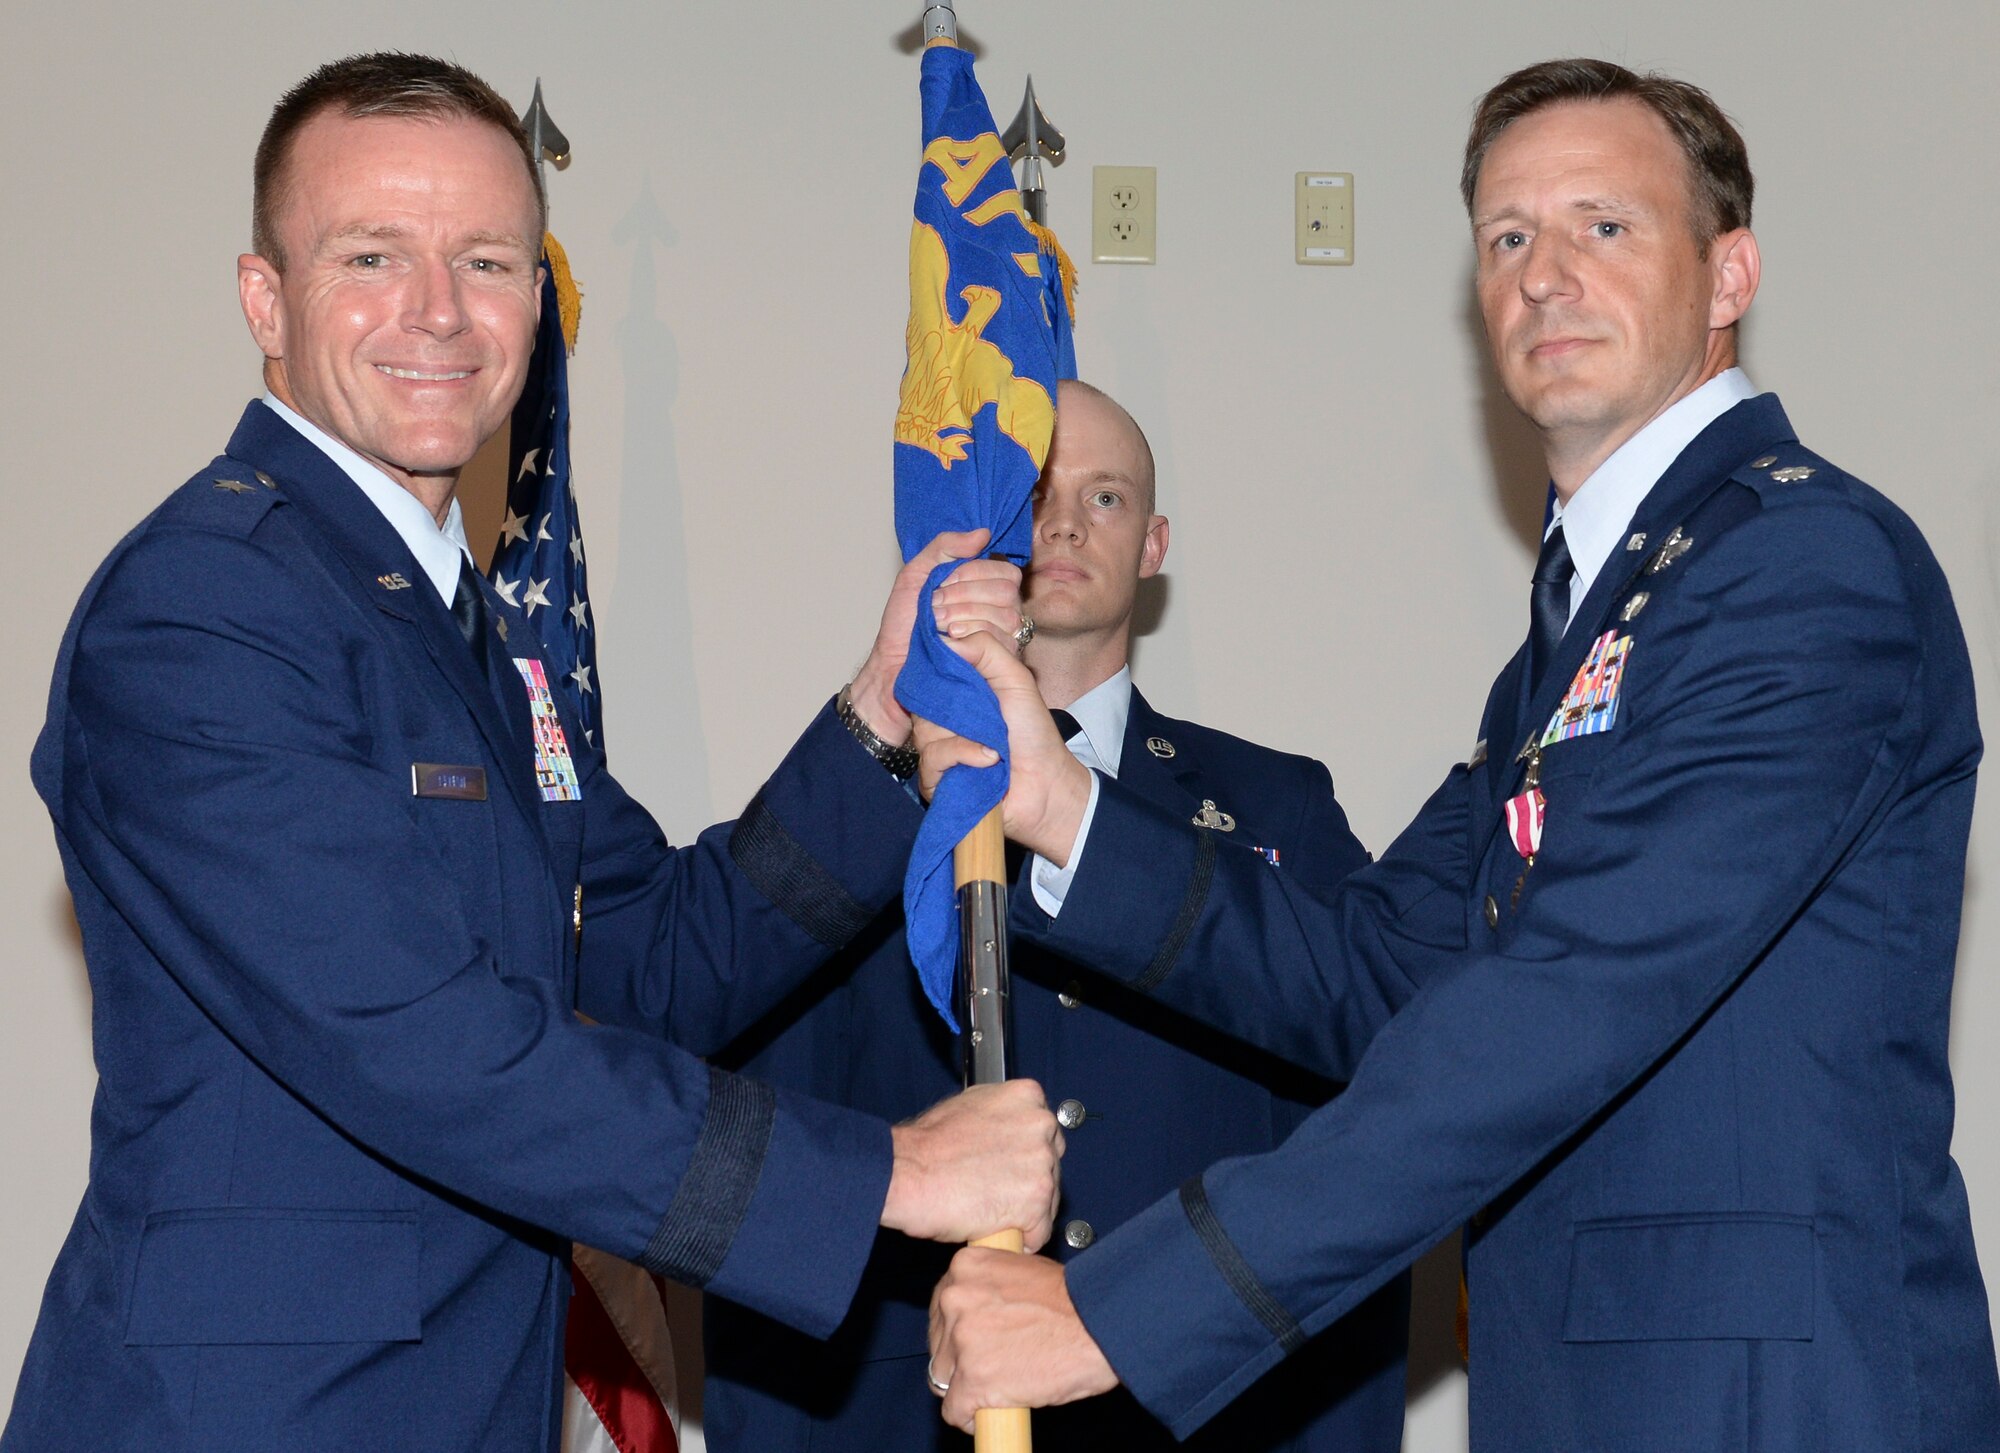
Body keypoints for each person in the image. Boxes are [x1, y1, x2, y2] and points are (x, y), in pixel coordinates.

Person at [926, 57, 2000, 1451]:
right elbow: (1375, 972)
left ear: (1730, 273)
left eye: (1603, 226)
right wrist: (1064, 804)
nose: (1544, 273)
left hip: (1766, 1402)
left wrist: (1121, 1309)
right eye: (1507, 237)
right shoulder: (1574, 642)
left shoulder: (1802, 566)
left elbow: (1561, 1012)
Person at [3, 53, 1062, 1453]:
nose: (438, 310)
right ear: (266, 300)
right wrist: (880, 1171)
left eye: (489, 260)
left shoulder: (472, 636)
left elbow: (651, 959)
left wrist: (875, 721)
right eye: (372, 254)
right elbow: (423, 1039)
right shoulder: (207, 604)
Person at [703, 380, 1408, 1452]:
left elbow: (1371, 1116)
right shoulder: (855, 800)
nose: (1067, 522)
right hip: (911, 1409)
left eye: (1107, 496)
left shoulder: (1276, 806)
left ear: (1155, 543)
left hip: (1203, 1404)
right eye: (1034, 494)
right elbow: (775, 1115)